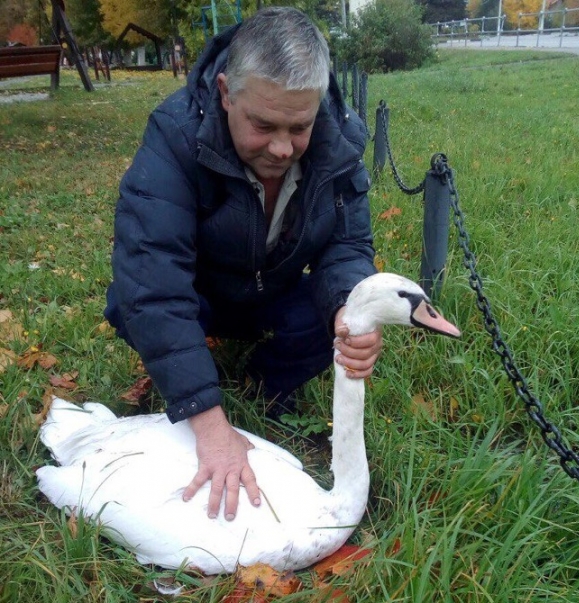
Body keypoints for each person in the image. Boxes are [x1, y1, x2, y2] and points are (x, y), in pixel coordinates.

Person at [104, 7, 380, 524]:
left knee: (338, 319)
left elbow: (346, 249)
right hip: (200, 294)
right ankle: (200, 383)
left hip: (273, 291)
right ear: (227, 94)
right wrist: (209, 425)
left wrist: (348, 308)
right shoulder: (175, 134)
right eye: (262, 125)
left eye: (299, 126)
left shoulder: (339, 144)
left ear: (318, 106)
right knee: (128, 305)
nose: (281, 148)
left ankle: (263, 387)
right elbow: (153, 279)